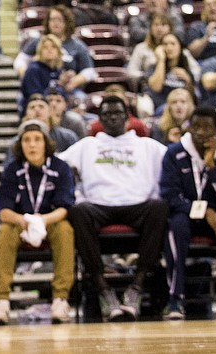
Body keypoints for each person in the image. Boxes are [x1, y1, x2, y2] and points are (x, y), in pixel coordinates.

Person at [58, 95, 168, 321]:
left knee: (159, 207)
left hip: (138, 205)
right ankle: (103, 288)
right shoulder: (87, 145)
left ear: (127, 117)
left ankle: (136, 286)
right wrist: (70, 174)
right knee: (78, 211)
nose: (112, 118)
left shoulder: (146, 145)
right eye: (107, 114)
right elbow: (56, 163)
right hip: (99, 207)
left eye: (117, 113)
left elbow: (175, 160)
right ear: (99, 119)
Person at [159, 106, 216, 319]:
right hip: (187, 214)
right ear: (188, 127)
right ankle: (175, 299)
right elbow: (169, 196)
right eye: (196, 126)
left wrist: (212, 168)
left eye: (207, 127)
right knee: (175, 225)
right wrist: (205, 211)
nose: (200, 132)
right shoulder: (174, 153)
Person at [0, 118, 76, 325]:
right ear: (20, 145)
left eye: (37, 139)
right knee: (4, 232)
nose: (32, 144)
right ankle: (2, 300)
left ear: (46, 143)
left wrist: (42, 220)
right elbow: (4, 212)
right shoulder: (13, 169)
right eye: (26, 140)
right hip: (19, 222)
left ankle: (60, 298)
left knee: (65, 230)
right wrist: (24, 221)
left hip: (50, 220)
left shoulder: (60, 167)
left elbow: (64, 208)